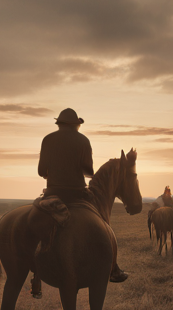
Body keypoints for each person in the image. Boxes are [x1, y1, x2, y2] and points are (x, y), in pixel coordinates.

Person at [37, 108, 127, 283]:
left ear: (59, 124)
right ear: (76, 125)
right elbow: (89, 171)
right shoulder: (83, 140)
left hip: (52, 193)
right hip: (76, 194)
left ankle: (36, 270)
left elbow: (41, 171)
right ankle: (113, 268)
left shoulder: (47, 139)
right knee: (103, 224)